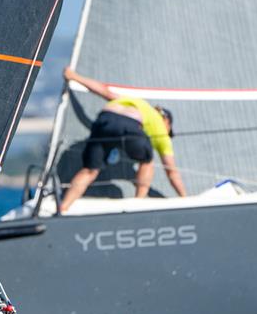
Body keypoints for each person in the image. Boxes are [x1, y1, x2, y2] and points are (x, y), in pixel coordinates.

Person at [60, 67, 187, 211]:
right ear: (167, 122)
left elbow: (104, 91)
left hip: (105, 118)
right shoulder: (161, 129)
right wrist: (185, 199)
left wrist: (74, 76)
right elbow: (171, 171)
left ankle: (64, 206)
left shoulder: (136, 102)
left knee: (89, 170)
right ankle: (137, 204)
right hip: (130, 123)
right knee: (147, 162)